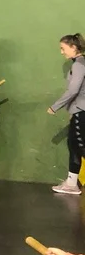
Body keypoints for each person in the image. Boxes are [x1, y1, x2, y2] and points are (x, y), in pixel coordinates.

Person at [46, 33, 85, 195]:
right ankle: (71, 183)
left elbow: (73, 90)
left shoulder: (79, 64)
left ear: (74, 47)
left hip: (82, 112)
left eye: (63, 48)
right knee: (74, 146)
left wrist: (55, 106)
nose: (62, 52)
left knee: (80, 147)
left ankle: (71, 184)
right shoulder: (80, 63)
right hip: (78, 111)